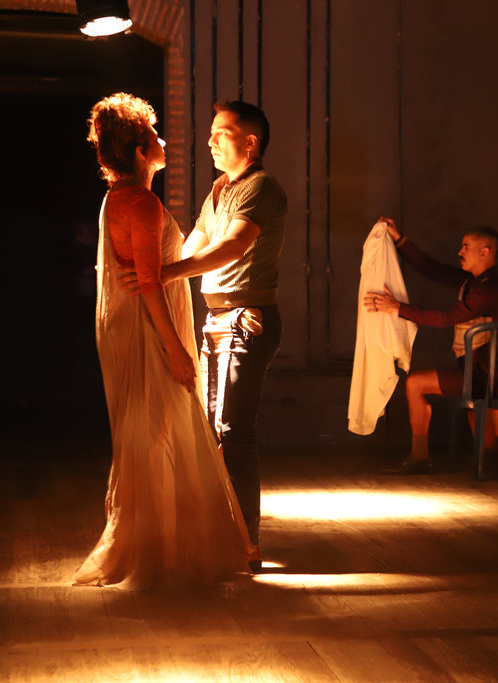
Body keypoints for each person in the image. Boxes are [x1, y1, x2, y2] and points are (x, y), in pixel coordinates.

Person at [73, 93, 255, 591]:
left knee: (149, 437)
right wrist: (174, 348)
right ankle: (163, 553)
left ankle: (160, 545)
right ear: (138, 149)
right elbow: (151, 283)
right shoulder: (140, 202)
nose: (164, 141)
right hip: (148, 333)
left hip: (133, 329)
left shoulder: (119, 198)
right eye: (154, 134)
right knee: (161, 435)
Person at [146, 101, 287, 564]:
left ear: (250, 142)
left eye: (220, 133)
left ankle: (247, 541)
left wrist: (166, 274)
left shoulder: (261, 187)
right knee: (213, 432)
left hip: (246, 321)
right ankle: (222, 533)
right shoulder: (221, 188)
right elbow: (197, 243)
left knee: (233, 430)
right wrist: (155, 270)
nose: (209, 141)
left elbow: (232, 246)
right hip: (216, 323)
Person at [363, 217, 498, 474]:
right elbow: (432, 269)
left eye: (466, 247)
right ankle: (419, 456)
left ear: (484, 252)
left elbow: (445, 318)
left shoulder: (490, 288)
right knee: (491, 450)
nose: (460, 252)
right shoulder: (473, 281)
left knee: (492, 451)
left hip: (487, 378)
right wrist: (399, 239)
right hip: (476, 374)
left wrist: (396, 308)